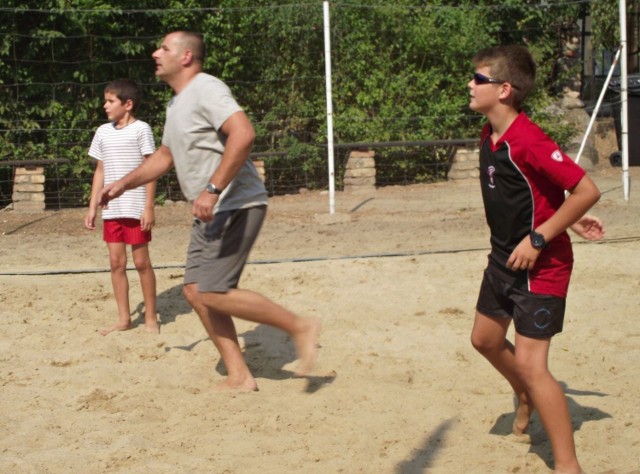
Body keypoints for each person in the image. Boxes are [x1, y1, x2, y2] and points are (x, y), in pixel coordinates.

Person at [99, 31, 320, 391]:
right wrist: (124, 184)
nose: (156, 53)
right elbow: (165, 157)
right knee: (194, 290)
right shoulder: (176, 103)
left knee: (212, 291)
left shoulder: (207, 88)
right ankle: (239, 375)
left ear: (185, 56)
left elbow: (243, 134)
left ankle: (299, 325)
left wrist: (213, 189)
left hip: (235, 202)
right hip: (209, 210)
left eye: (164, 48)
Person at [467, 45, 604, 474]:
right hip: (503, 258)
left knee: (532, 363)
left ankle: (568, 465)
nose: (469, 86)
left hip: (541, 264)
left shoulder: (528, 138)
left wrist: (545, 234)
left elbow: (588, 190)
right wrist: (567, 218)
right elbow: (537, 189)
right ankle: (523, 391)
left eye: (478, 79)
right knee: (484, 340)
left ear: (504, 90)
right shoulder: (490, 135)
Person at [84, 78, 159, 336]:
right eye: (105, 100)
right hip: (112, 209)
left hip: (136, 207)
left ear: (127, 104)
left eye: (110, 101)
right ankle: (124, 319)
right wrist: (93, 206)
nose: (105, 105)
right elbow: (100, 171)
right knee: (116, 262)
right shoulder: (102, 132)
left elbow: (152, 169)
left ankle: (150, 317)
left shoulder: (142, 129)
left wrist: (149, 207)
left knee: (141, 262)